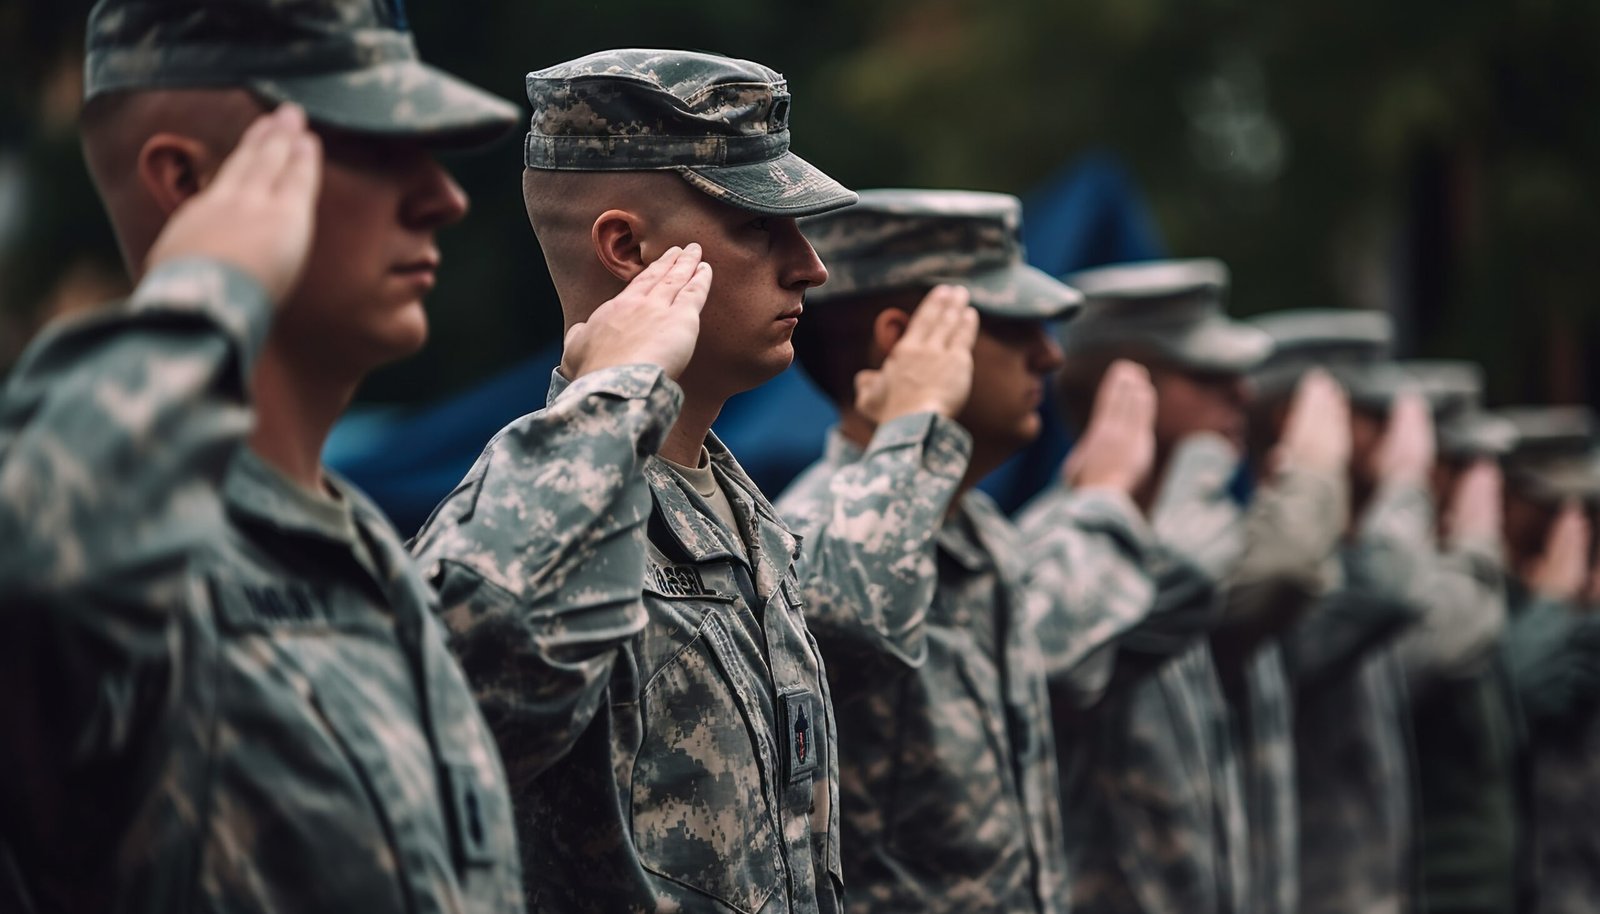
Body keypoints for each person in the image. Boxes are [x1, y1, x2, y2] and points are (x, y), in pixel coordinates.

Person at [0, 0, 707, 910]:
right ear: (188, 181)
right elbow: (31, 566)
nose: (443, 197)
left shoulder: (366, 561)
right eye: (370, 148)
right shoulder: (135, 566)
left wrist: (612, 400)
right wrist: (208, 288)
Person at [410, 48, 857, 913]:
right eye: (760, 228)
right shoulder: (530, 523)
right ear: (625, 247)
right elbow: (450, 701)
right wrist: (612, 400)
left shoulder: (748, 521)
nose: (809, 266)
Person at [779, 188, 1167, 913]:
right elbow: (847, 616)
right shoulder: (814, 534)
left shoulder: (980, 529)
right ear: (902, 340)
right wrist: (916, 415)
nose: (1049, 356)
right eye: (1015, 327)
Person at [1034, 260, 1351, 914]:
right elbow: (1272, 569)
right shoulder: (1057, 556)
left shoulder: (1204, 532)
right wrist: (1310, 473)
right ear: (1128, 389)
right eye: (1207, 376)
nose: (1242, 393)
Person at [1493, 407, 1600, 914]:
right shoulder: (1483, 603)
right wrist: (1552, 603)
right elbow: (1513, 698)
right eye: (1554, 509)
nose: (1574, 529)